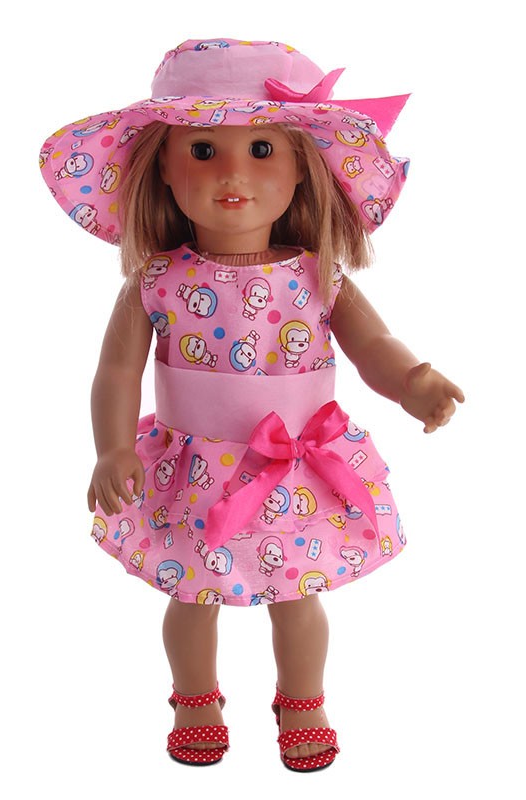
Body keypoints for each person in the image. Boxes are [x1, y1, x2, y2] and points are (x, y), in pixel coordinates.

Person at [39, 38, 464, 772]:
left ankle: (303, 698)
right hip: (193, 472)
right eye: (202, 150)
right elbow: (116, 371)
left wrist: (412, 380)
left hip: (298, 471)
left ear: (301, 167)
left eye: (262, 148)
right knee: (190, 595)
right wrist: (112, 449)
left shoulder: (319, 277)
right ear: (162, 166)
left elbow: (373, 344)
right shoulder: (157, 281)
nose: (232, 173)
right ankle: (194, 697)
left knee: (297, 597)